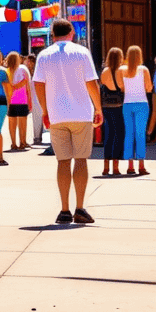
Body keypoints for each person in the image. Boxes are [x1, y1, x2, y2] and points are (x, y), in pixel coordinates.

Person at [32, 19, 103, 225]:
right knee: (81, 159)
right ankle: (80, 207)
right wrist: (98, 108)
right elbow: (91, 83)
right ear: (71, 32)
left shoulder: (44, 55)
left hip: (56, 114)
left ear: (52, 34)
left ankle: (64, 209)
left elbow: (38, 83)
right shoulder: (82, 52)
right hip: (81, 112)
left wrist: (45, 110)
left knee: (62, 161)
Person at [121, 46, 152, 177]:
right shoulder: (144, 70)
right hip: (141, 103)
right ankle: (141, 165)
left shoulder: (122, 70)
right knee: (140, 134)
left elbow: (121, 88)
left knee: (129, 134)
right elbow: (149, 88)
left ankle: (130, 166)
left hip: (127, 103)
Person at [98, 47, 126, 176]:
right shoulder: (121, 71)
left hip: (106, 106)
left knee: (108, 135)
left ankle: (105, 167)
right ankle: (116, 167)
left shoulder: (104, 71)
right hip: (118, 105)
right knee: (118, 135)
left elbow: (102, 86)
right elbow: (123, 87)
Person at [5, 52, 31, 151]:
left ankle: (13, 143)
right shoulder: (22, 69)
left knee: (12, 124)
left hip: (10, 101)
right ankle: (23, 142)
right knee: (22, 124)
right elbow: (27, 85)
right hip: (22, 100)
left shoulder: (6, 71)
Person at [27, 53, 44, 145]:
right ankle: (37, 137)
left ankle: (37, 137)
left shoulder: (35, 70)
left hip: (37, 94)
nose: (27, 62)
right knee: (37, 116)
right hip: (34, 94)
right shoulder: (29, 70)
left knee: (38, 115)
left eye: (28, 61)